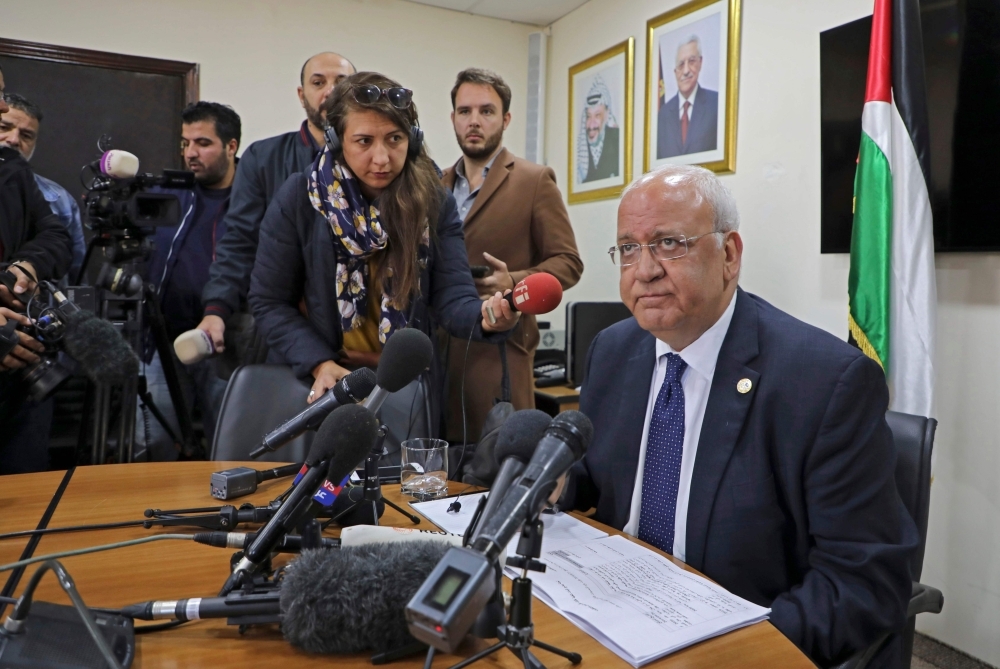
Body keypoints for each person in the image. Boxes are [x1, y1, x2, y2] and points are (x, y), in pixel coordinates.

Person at [567, 164, 918, 666]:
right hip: (616, 615)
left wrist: (734, 652)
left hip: (738, 633)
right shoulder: (615, 350)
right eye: (628, 248)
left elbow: (862, 581)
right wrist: (558, 483)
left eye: (669, 244)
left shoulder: (825, 382)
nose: (644, 269)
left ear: (728, 255)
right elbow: (603, 478)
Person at [249, 71, 520, 417]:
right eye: (364, 141)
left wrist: (487, 319)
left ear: (414, 140)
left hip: (406, 388)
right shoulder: (301, 198)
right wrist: (319, 363)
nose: (381, 158)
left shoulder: (435, 202)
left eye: (395, 139)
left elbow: (453, 299)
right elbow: (269, 301)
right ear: (336, 141)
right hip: (326, 380)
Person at [442, 68, 582, 443]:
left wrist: (514, 281)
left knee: (498, 470)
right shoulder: (432, 184)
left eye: (486, 111)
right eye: (464, 111)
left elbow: (568, 262)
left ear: (505, 119)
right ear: (452, 118)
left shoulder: (534, 180)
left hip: (499, 355)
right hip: (437, 354)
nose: (474, 121)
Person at [195, 52, 355, 360]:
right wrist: (216, 309)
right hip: (281, 334)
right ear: (301, 94)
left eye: (342, 82)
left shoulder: (374, 162)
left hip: (359, 335)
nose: (330, 91)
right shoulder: (262, 158)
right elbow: (239, 242)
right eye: (318, 82)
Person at [134, 101, 240, 461]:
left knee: (229, 446)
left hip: (229, 343)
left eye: (203, 143)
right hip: (162, 340)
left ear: (231, 146)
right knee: (152, 442)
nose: (190, 154)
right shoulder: (171, 192)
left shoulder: (254, 197)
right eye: (185, 143)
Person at [0, 66, 73, 474]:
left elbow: (55, 238)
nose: (2, 108)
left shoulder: (12, 171)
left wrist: (26, 264)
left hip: (20, 376)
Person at [0, 93, 86, 281]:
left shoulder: (61, 199)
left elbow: (76, 275)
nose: (14, 140)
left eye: (26, 135)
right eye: (4, 127)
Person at [656, 35, 719, 159]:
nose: (686, 71)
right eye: (680, 65)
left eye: (691, 61)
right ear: (675, 72)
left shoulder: (716, 105)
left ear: (700, 63)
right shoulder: (663, 115)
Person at [576, 76, 620, 183]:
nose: (591, 124)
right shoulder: (580, 147)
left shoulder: (617, 139)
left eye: (597, 115)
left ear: (607, 114)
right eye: (588, 116)